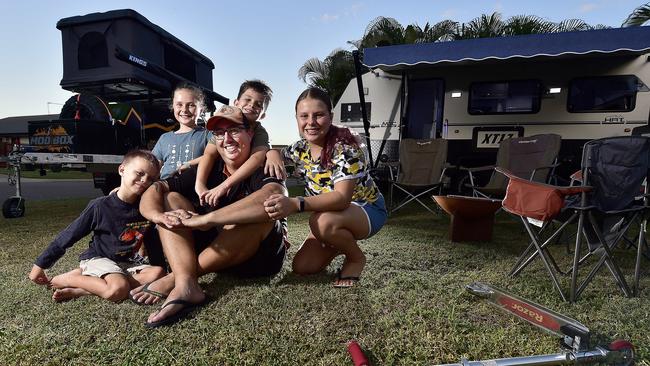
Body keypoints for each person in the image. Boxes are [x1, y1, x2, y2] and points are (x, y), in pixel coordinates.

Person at [131, 105, 287, 327]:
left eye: (234, 130)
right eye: (220, 133)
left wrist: (205, 220)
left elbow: (274, 195)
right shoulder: (210, 167)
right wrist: (157, 216)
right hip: (215, 253)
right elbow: (155, 189)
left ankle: (176, 278)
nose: (227, 139)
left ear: (250, 133)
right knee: (171, 198)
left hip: (257, 261)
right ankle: (187, 284)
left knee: (263, 214)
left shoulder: (262, 164)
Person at [263, 87, 387, 288]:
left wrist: (295, 203)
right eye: (304, 116)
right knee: (303, 266)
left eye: (318, 115)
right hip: (328, 215)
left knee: (321, 222)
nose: (310, 122)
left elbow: (341, 198)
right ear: (296, 118)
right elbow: (277, 153)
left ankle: (355, 258)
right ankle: (338, 240)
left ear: (331, 116)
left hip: (366, 209)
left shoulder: (346, 148)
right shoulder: (299, 148)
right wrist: (272, 154)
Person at [28, 150, 166, 302]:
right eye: (140, 173)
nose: (145, 180)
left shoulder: (146, 208)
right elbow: (69, 236)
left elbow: (153, 242)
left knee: (158, 273)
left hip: (126, 263)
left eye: (151, 179)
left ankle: (82, 290)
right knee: (118, 290)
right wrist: (40, 265)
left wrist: (160, 275)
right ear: (122, 169)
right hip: (98, 259)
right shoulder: (100, 206)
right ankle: (67, 279)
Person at [195, 80, 285, 207]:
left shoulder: (260, 132)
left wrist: (272, 153)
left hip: (249, 179)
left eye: (258, 104)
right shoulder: (222, 127)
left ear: (263, 115)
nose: (252, 105)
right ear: (236, 103)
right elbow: (209, 154)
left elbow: (256, 157)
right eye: (247, 100)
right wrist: (199, 185)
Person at [152, 82, 211, 179]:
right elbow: (152, 166)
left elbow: (213, 156)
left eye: (191, 105)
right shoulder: (164, 138)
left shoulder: (207, 135)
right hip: (164, 186)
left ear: (201, 109)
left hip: (192, 187)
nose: (184, 109)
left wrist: (188, 164)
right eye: (179, 104)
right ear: (173, 107)